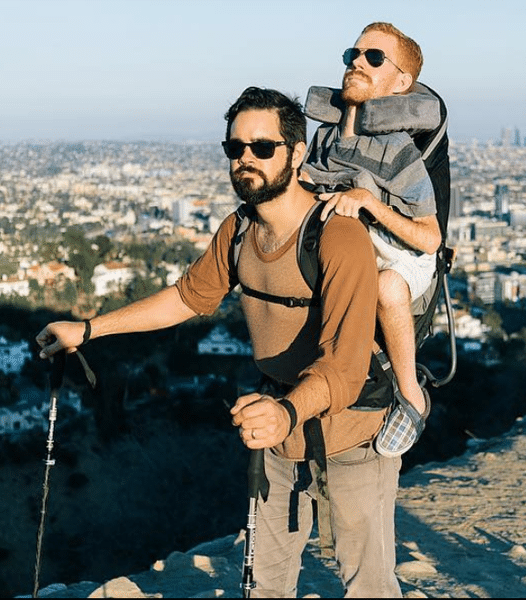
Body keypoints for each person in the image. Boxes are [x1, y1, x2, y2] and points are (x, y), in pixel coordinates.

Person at [37, 87, 403, 597]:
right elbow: (187, 298)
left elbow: (342, 368)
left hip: (351, 435)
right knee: (265, 582)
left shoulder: (337, 237)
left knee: (368, 585)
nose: (246, 159)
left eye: (263, 147)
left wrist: (285, 413)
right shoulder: (238, 230)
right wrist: (90, 329)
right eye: (235, 149)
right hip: (275, 428)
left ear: (297, 154)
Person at [301, 21, 442, 458]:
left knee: (386, 288)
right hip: (349, 251)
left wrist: (370, 203)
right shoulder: (323, 137)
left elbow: (430, 238)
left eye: (374, 58)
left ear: (402, 82)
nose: (357, 63)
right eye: (353, 55)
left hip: (402, 256)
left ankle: (410, 397)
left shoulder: (397, 150)